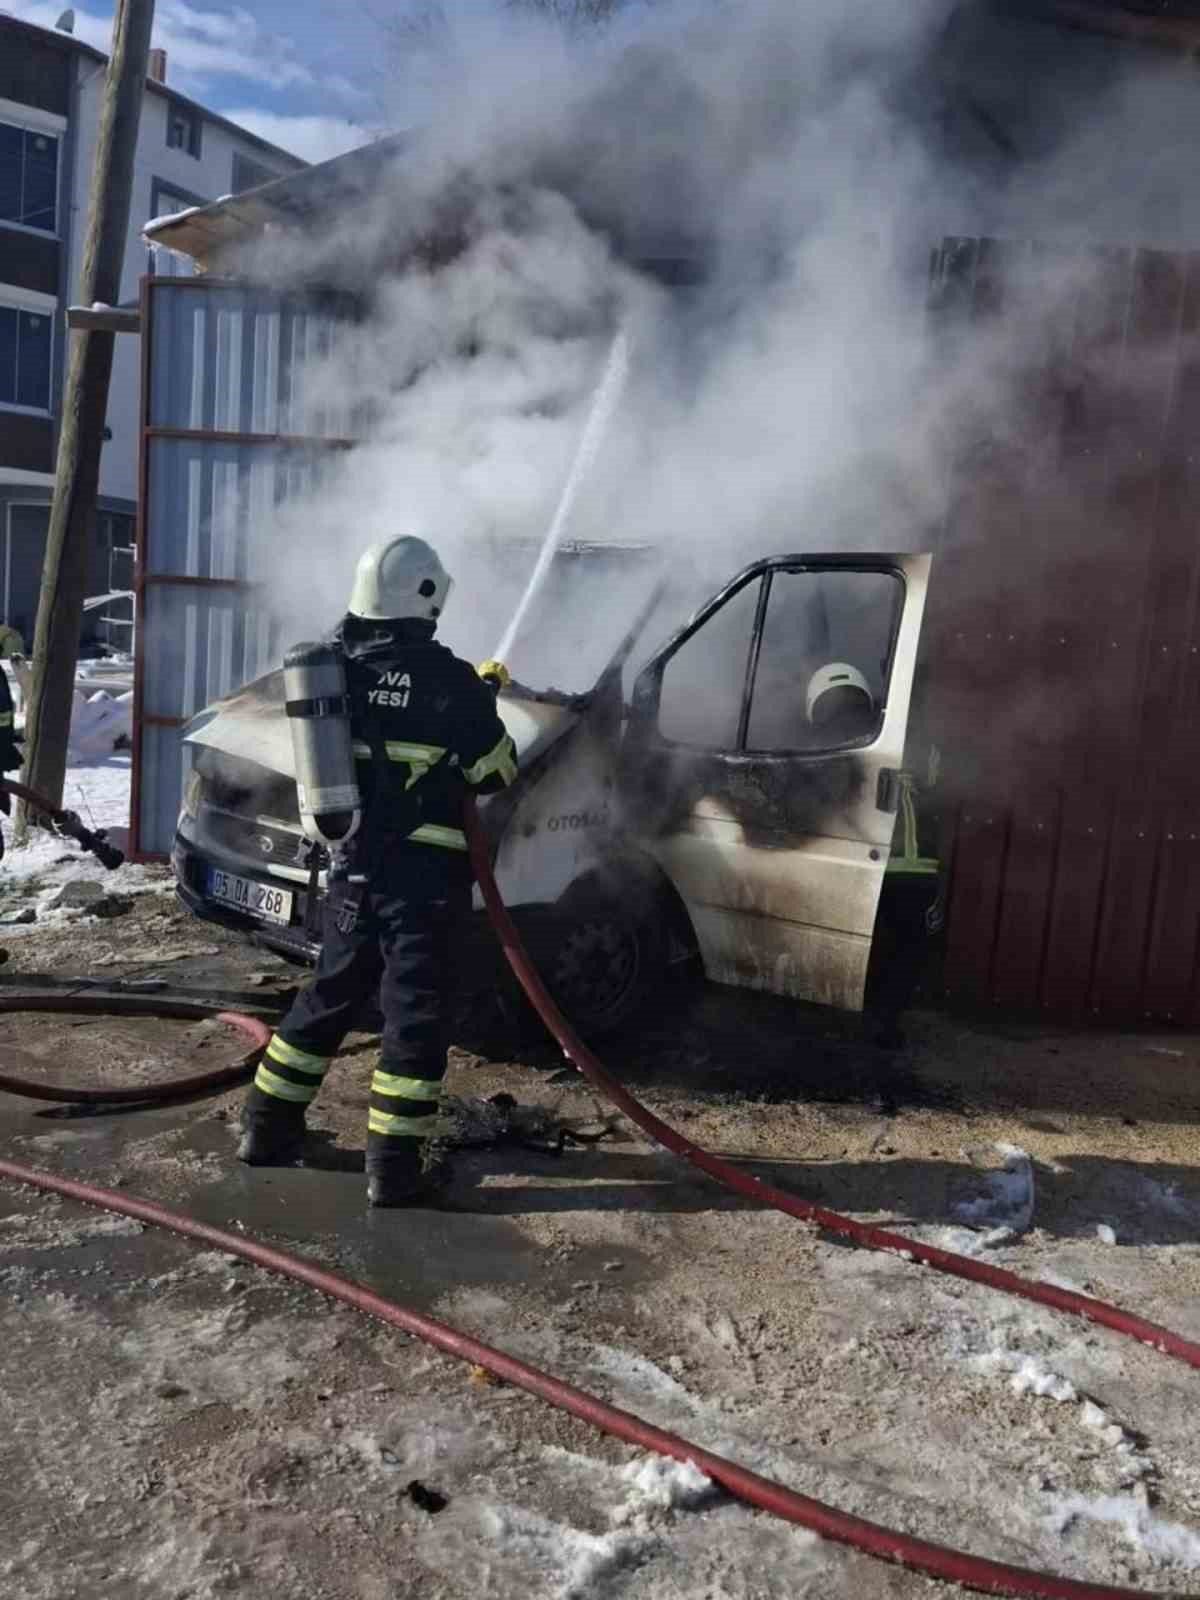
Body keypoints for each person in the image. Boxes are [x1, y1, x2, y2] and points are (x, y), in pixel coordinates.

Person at [238, 535, 518, 1206]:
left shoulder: (335, 670)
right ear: (425, 597)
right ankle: (394, 1170)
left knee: (329, 996)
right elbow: (497, 771)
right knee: (414, 1017)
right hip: (422, 883)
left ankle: (265, 1129)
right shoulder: (450, 680)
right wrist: (481, 702)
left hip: (353, 871)